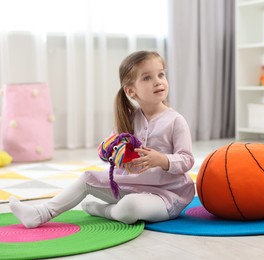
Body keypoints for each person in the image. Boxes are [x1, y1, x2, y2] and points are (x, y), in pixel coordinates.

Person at [10, 50, 195, 228]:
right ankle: (40, 214)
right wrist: (116, 156)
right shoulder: (129, 119)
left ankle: (104, 211)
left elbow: (187, 160)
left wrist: (162, 160)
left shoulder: (175, 121)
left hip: (167, 196)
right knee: (87, 178)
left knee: (130, 207)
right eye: (147, 77)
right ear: (131, 91)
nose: (158, 82)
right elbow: (109, 150)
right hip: (133, 186)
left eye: (161, 75)